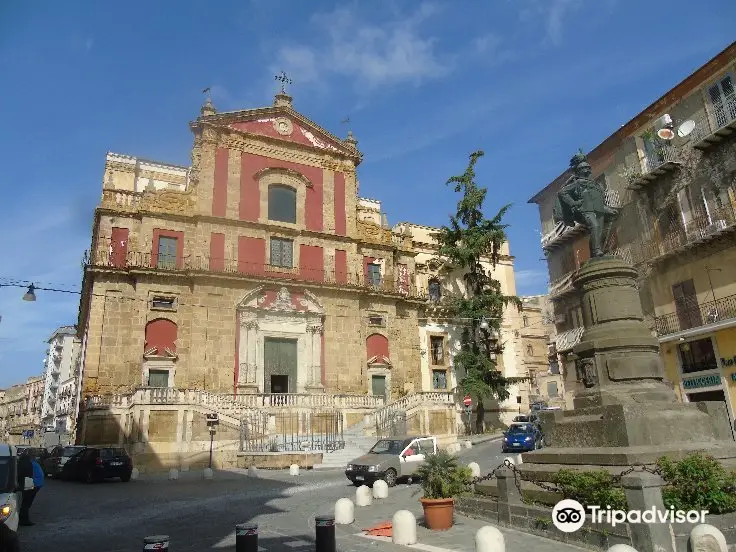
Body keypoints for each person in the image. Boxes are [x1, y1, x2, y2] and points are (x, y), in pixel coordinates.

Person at [16, 450, 35, 526]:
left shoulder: (21, 462)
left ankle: (23, 518)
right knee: (26, 503)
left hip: (24, 483)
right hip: (27, 483)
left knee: (25, 503)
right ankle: (24, 519)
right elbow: (27, 473)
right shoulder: (27, 463)